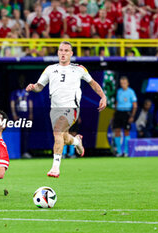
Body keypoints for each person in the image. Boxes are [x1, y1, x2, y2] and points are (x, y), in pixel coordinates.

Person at [26, 41, 107, 178]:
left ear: (71, 54)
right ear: (57, 52)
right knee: (63, 137)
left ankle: (55, 167)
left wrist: (103, 96)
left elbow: (92, 83)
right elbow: (40, 86)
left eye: (66, 51)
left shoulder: (79, 69)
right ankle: (76, 141)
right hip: (55, 109)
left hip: (71, 108)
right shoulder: (50, 69)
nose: (63, 53)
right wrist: (33, 87)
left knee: (58, 131)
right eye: (61, 50)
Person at [112, 76, 137, 157]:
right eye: (121, 83)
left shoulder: (131, 92)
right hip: (119, 113)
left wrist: (132, 116)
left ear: (128, 83)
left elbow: (134, 105)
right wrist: (114, 114)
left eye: (124, 83)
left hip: (127, 113)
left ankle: (126, 152)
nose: (123, 84)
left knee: (126, 132)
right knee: (117, 131)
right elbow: (116, 103)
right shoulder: (119, 91)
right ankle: (119, 152)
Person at [10, 75, 33, 158]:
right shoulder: (15, 93)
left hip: (26, 116)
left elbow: (30, 103)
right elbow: (12, 104)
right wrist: (14, 114)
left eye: (23, 81)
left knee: (26, 134)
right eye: (20, 81)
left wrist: (31, 113)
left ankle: (25, 152)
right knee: (17, 135)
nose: (21, 83)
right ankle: (17, 152)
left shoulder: (27, 92)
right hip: (18, 116)